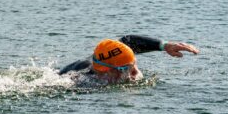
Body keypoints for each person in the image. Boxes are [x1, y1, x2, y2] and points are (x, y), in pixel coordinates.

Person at [59, 35, 199, 83]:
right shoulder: (78, 80)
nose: (135, 72)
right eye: (126, 68)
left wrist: (164, 46)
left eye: (134, 65)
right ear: (107, 71)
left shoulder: (108, 57)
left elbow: (127, 41)